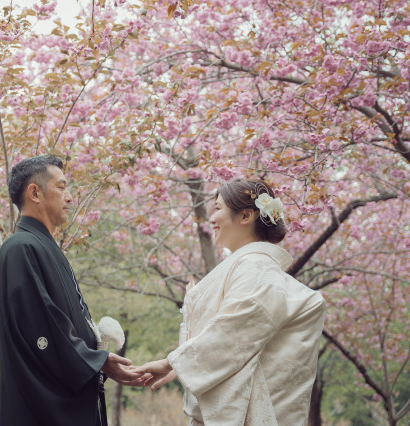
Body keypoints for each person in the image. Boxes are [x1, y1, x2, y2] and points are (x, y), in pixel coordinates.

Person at [132, 179, 326, 426]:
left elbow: (233, 332)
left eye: (218, 208)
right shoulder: (250, 266)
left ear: (246, 215)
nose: (211, 219)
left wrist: (173, 361)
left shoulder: (256, 267)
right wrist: (181, 365)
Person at [0, 155, 139, 426]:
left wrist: (96, 354)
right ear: (35, 192)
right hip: (42, 406)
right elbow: (41, 326)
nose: (70, 197)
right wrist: (94, 360)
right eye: (61, 187)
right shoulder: (19, 248)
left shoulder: (43, 246)